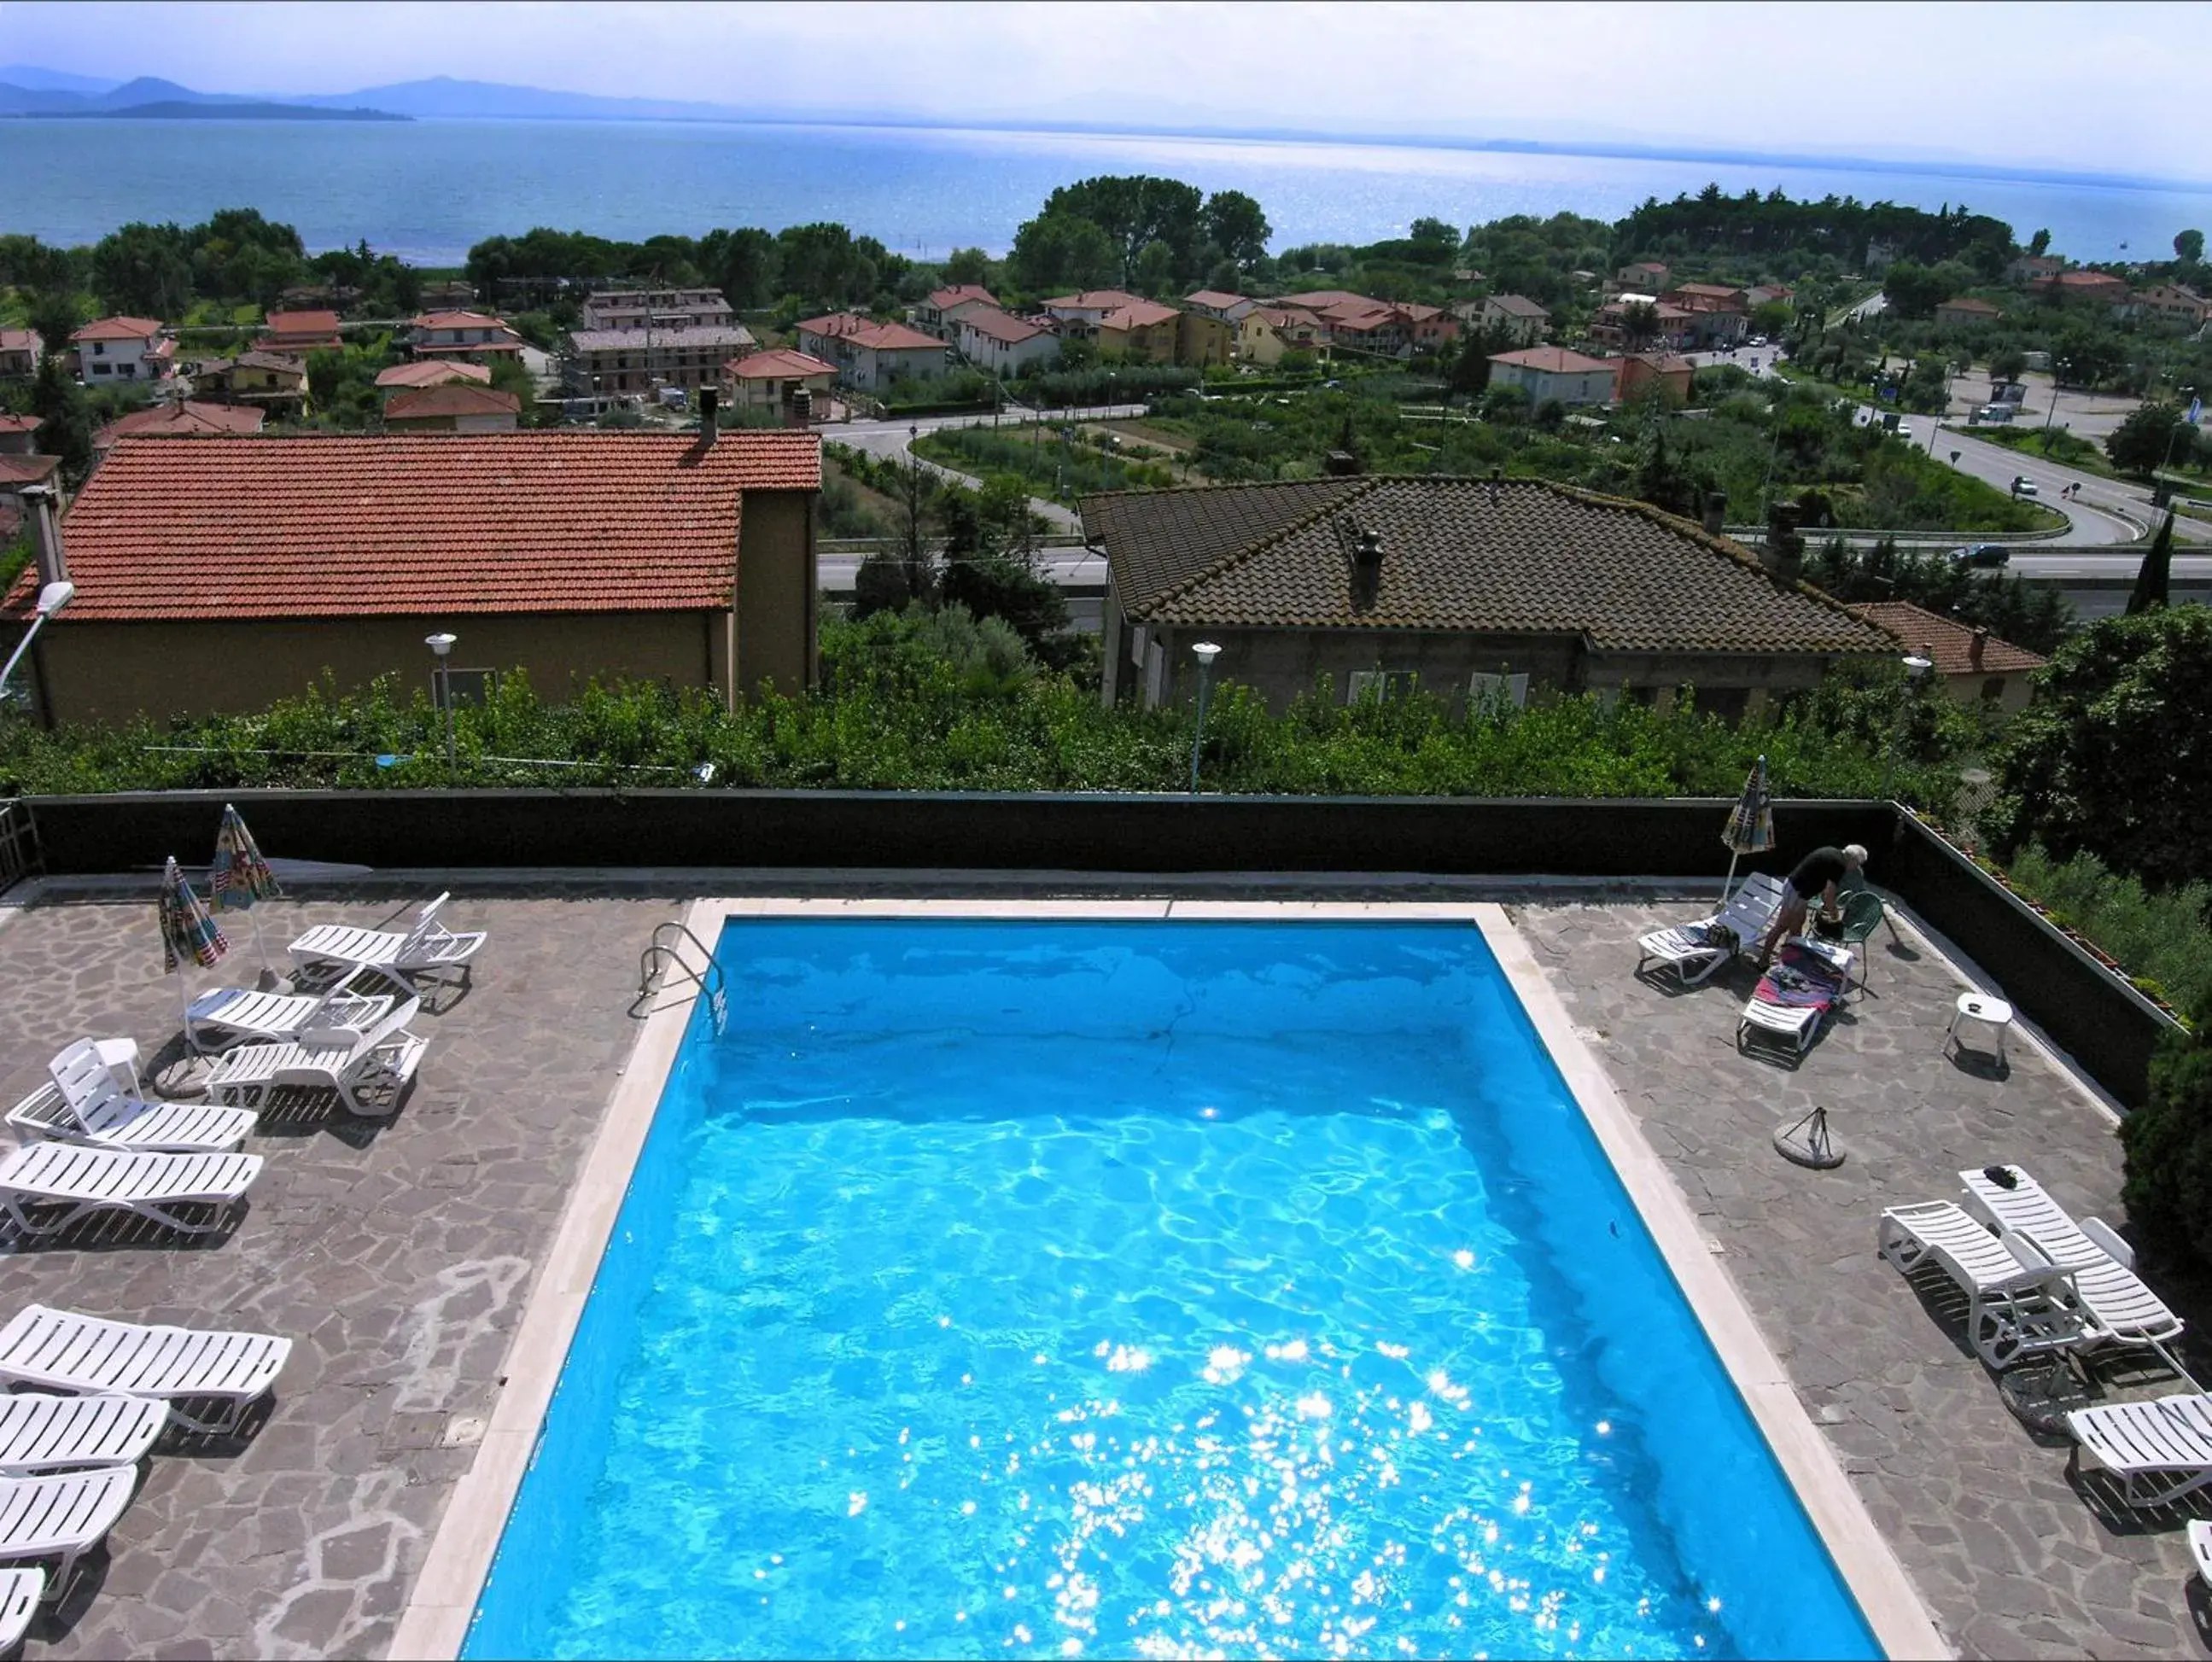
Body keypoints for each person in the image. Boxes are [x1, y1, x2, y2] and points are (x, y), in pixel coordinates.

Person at [1754, 843, 1867, 971]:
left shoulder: (1832, 852)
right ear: (1852, 860)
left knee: (1797, 926)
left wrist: (1827, 904)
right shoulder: (1839, 865)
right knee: (1781, 926)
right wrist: (1834, 913)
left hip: (1797, 890)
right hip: (1797, 892)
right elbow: (1829, 894)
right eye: (1857, 864)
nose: (1855, 868)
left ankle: (1787, 959)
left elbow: (1824, 888)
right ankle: (1763, 961)